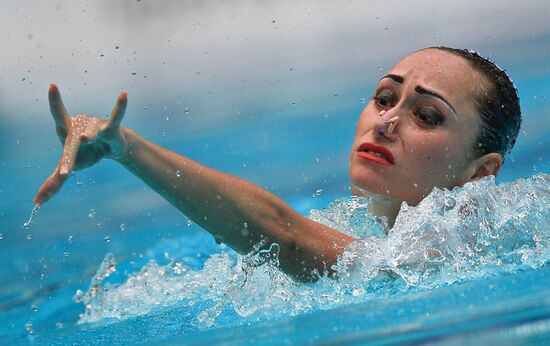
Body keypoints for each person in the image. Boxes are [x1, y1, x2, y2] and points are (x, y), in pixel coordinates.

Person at [34, 47, 521, 281]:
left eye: (428, 115)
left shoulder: (464, 247)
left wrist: (130, 150)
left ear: (481, 172)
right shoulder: (364, 229)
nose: (387, 122)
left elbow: (285, 236)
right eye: (384, 98)